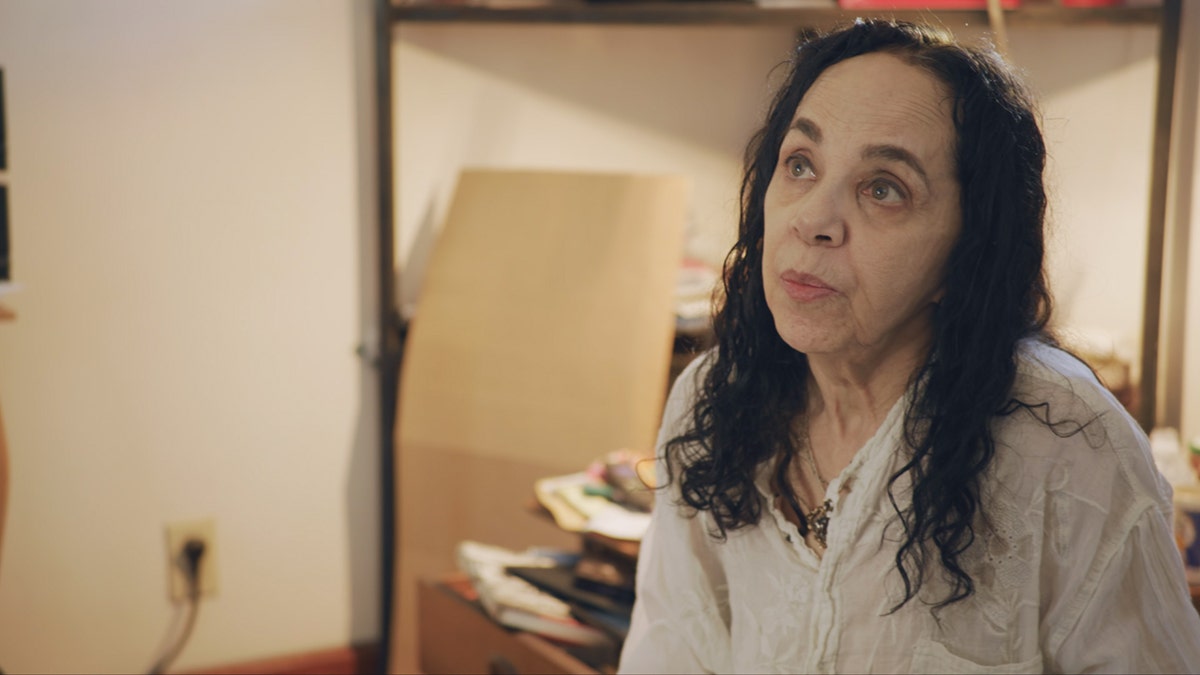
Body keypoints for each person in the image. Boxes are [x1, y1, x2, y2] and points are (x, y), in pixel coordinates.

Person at [617, 19, 1200, 674]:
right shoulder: (712, 400)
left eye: (883, 188)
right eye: (800, 165)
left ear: (967, 249)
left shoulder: (1070, 447)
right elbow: (670, 652)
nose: (812, 220)